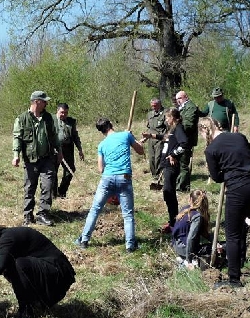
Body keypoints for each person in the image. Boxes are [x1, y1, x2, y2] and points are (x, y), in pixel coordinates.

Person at [200, 117, 250, 289]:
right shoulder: (239, 137)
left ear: (204, 131)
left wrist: (229, 172)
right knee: (240, 224)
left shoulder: (211, 149)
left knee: (232, 234)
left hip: (239, 190)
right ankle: (240, 261)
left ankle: (234, 280)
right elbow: (248, 158)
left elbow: (216, 177)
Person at [74, 117, 145, 252]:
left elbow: (100, 169)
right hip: (124, 178)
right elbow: (140, 151)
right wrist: (133, 138)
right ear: (111, 124)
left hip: (107, 178)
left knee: (94, 210)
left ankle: (84, 240)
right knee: (127, 214)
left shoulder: (102, 145)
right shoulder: (126, 135)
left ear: (101, 131)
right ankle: (130, 245)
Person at [12, 91, 61, 226]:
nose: (47, 103)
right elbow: (17, 138)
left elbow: (55, 136)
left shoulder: (49, 118)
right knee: (29, 188)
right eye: (44, 101)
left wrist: (60, 152)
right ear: (36, 101)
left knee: (48, 186)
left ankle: (42, 214)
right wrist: (16, 155)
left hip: (47, 158)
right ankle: (28, 216)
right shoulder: (21, 119)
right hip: (30, 160)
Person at [160, 108, 188, 233]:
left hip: (172, 166)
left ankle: (174, 221)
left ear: (174, 117)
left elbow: (184, 144)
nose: (166, 120)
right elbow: (167, 139)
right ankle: (172, 219)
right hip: (166, 165)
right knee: (168, 193)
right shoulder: (172, 129)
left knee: (169, 192)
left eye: (167, 117)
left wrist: (173, 154)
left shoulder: (179, 128)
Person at [171, 189, 213, 266]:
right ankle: (188, 259)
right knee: (214, 248)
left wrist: (214, 241)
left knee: (214, 245)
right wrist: (189, 260)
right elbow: (191, 238)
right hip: (185, 248)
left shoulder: (185, 209)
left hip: (176, 245)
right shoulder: (197, 216)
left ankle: (183, 257)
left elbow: (203, 232)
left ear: (190, 199)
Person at [53, 103, 84, 198]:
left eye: (66, 113)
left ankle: (62, 192)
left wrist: (80, 149)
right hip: (54, 150)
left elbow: (75, 136)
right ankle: (53, 194)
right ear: (57, 111)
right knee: (53, 171)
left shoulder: (71, 121)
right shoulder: (50, 120)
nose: (64, 115)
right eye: (62, 112)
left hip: (67, 149)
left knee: (70, 170)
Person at [175, 91, 199, 191]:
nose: (178, 101)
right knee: (178, 162)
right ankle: (179, 183)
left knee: (183, 164)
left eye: (179, 98)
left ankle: (183, 187)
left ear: (185, 97)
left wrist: (177, 126)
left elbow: (189, 124)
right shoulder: (182, 107)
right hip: (179, 138)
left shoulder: (191, 107)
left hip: (186, 139)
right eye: (177, 99)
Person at [141, 98, 166, 181]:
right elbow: (149, 128)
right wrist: (145, 137)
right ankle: (154, 175)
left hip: (160, 139)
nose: (153, 108)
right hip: (151, 139)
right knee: (151, 158)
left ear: (159, 104)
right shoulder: (150, 114)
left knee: (158, 158)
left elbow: (169, 128)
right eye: (152, 106)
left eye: (155, 106)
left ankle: (159, 176)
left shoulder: (165, 113)